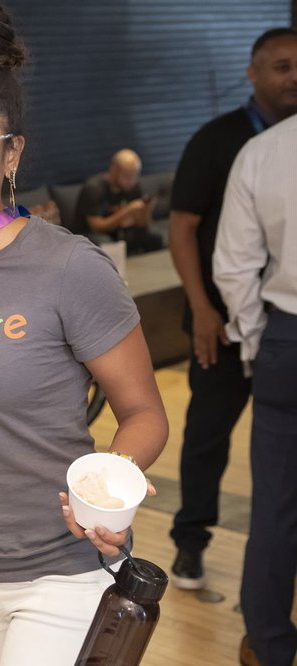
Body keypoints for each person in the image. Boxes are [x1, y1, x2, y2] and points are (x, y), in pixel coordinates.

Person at [0, 7, 168, 665]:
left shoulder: (70, 268)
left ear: (11, 152)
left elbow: (144, 414)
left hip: (61, 574)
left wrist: (111, 484)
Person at [167, 27, 297, 592]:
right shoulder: (219, 139)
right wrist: (201, 309)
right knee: (207, 438)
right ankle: (190, 544)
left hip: (278, 327)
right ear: (253, 72)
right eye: (280, 66)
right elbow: (182, 228)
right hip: (220, 322)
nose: (292, 77)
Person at [214, 113, 297, 666]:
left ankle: (268, 645)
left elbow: (235, 267)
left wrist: (254, 341)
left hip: (288, 336)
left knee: (276, 505)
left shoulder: (266, 149)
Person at [72, 149, 164, 255]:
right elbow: (97, 227)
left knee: (153, 237)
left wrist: (146, 210)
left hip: (119, 230)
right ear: (113, 170)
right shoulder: (94, 188)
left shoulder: (134, 187)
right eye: (127, 175)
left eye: (135, 175)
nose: (132, 180)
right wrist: (128, 210)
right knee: (108, 244)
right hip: (90, 233)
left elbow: (142, 224)